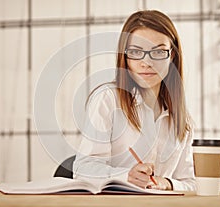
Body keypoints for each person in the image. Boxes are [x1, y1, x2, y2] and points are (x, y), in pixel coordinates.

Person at [73, 10, 196, 191]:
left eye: (158, 52)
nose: (146, 63)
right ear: (125, 57)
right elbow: (82, 170)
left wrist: (168, 183)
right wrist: (125, 176)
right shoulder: (107, 100)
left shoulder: (182, 119)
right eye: (136, 52)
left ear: (172, 56)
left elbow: (191, 183)